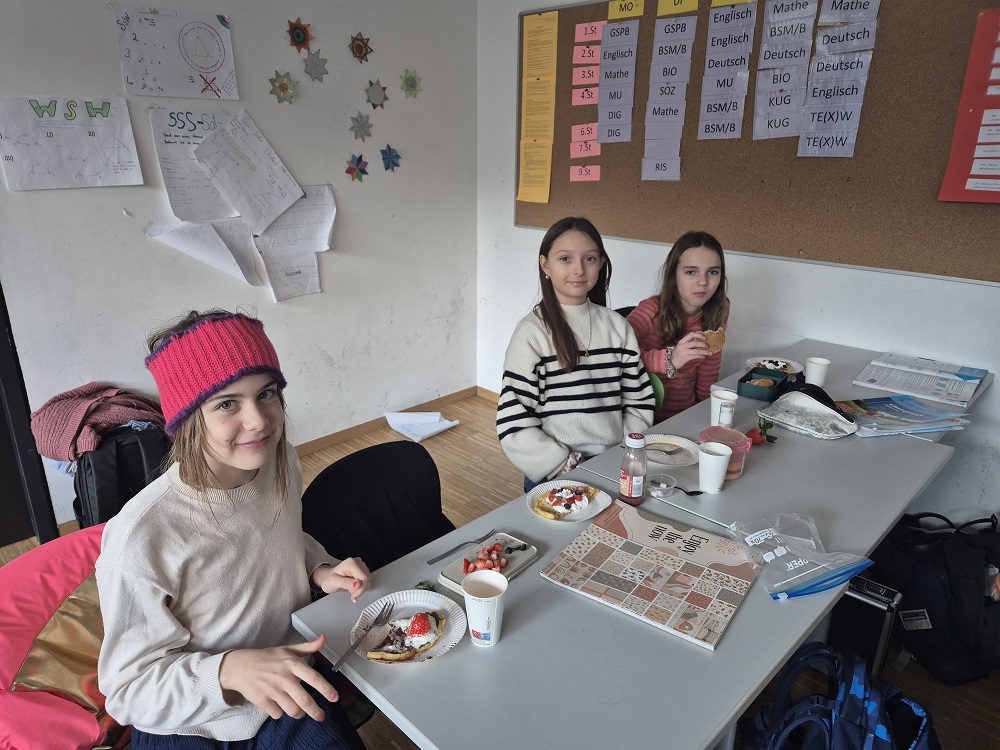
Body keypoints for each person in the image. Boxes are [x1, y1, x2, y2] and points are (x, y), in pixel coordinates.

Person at [96, 310, 370, 749]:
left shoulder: (280, 461)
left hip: (283, 688)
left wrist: (318, 569)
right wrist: (226, 671)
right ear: (188, 419)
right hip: (192, 722)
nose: (258, 420)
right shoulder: (141, 536)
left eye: (267, 393)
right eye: (227, 403)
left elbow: (277, 537)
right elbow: (128, 691)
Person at [496, 217, 656, 490]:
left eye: (589, 258)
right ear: (545, 264)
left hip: (613, 465)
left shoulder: (618, 327)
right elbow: (514, 418)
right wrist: (563, 465)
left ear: (601, 263)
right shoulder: (531, 333)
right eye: (565, 259)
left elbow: (638, 400)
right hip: (555, 472)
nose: (579, 269)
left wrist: (623, 453)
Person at [627, 230, 729, 421]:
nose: (703, 282)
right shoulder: (650, 311)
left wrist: (704, 414)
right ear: (674, 274)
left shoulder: (720, 309)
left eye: (713, 272)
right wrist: (670, 359)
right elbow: (615, 355)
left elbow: (708, 371)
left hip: (685, 417)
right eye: (691, 272)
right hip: (644, 419)